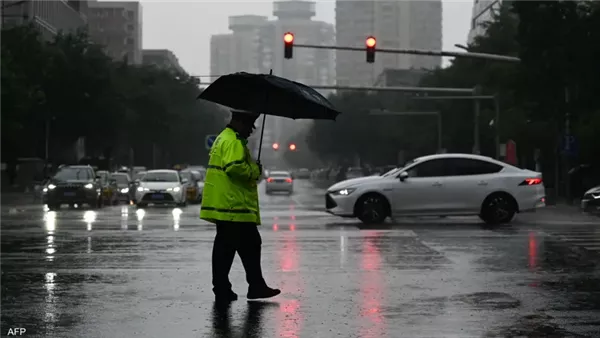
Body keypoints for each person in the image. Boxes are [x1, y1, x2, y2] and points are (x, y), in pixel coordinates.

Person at [200, 110, 281, 303]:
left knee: (243, 245)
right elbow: (234, 167)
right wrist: (254, 170)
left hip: (227, 204)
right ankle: (235, 287)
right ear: (239, 122)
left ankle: (250, 285)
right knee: (234, 246)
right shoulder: (233, 141)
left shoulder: (223, 137)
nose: (251, 130)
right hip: (232, 205)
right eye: (249, 125)